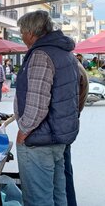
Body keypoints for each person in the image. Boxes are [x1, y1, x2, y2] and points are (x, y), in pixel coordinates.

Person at [15, 10, 79, 206]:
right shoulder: (65, 53)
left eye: (22, 32)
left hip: (40, 139)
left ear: (31, 32)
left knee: (38, 199)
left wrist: (23, 130)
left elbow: (37, 102)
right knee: (58, 194)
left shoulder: (41, 55)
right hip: (58, 136)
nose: (21, 36)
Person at [64, 61, 89, 206]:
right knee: (64, 169)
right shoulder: (75, 65)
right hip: (68, 122)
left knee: (63, 171)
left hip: (64, 124)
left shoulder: (70, 67)